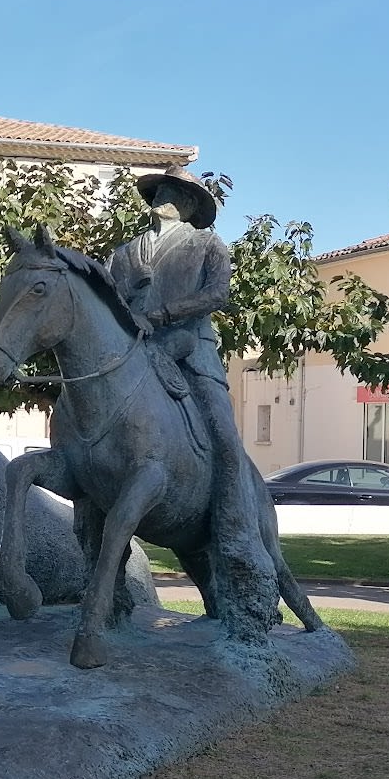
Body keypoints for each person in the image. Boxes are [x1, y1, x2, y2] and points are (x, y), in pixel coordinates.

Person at [105, 166, 275, 613]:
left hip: (191, 350)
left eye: (177, 192)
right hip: (135, 353)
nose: (165, 195)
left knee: (223, 435)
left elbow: (217, 295)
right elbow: (106, 300)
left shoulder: (207, 245)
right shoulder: (124, 254)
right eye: (162, 189)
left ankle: (237, 527)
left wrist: (163, 313)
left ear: (190, 205)